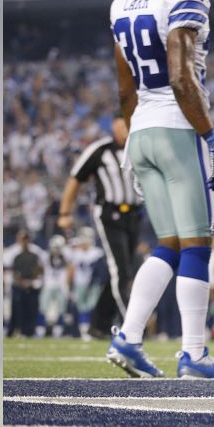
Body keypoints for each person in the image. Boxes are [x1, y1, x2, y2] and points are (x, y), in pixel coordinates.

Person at [105, 0, 214, 379]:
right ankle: (195, 355)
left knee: (168, 245)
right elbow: (182, 78)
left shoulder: (122, 4)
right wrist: (211, 137)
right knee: (198, 245)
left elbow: (125, 89)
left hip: (141, 130)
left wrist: (135, 132)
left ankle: (129, 337)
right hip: (179, 129)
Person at [57, 116, 143, 338]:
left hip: (134, 214)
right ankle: (131, 326)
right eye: (125, 124)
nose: (129, 128)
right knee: (120, 271)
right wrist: (65, 213)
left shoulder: (140, 147)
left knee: (123, 270)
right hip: (109, 214)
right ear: (115, 126)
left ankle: (99, 325)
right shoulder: (100, 150)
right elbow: (75, 178)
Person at [4, 228, 46, 337]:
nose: (24, 240)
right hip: (17, 284)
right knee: (16, 309)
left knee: (31, 309)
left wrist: (33, 280)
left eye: (26, 238)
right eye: (22, 238)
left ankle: (29, 331)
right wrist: (20, 281)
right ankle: (14, 330)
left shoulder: (36, 250)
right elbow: (8, 268)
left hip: (32, 284)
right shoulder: (12, 251)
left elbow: (41, 267)